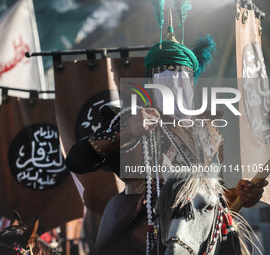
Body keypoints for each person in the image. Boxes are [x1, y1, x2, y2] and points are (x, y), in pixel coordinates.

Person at [66, 10, 268, 255]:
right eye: (163, 75)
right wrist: (129, 132)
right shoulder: (130, 118)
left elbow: (212, 195)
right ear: (151, 81)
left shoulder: (209, 130)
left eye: (180, 76)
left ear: (192, 83)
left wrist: (241, 194)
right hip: (138, 228)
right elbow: (77, 160)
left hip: (197, 229)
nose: (172, 82)